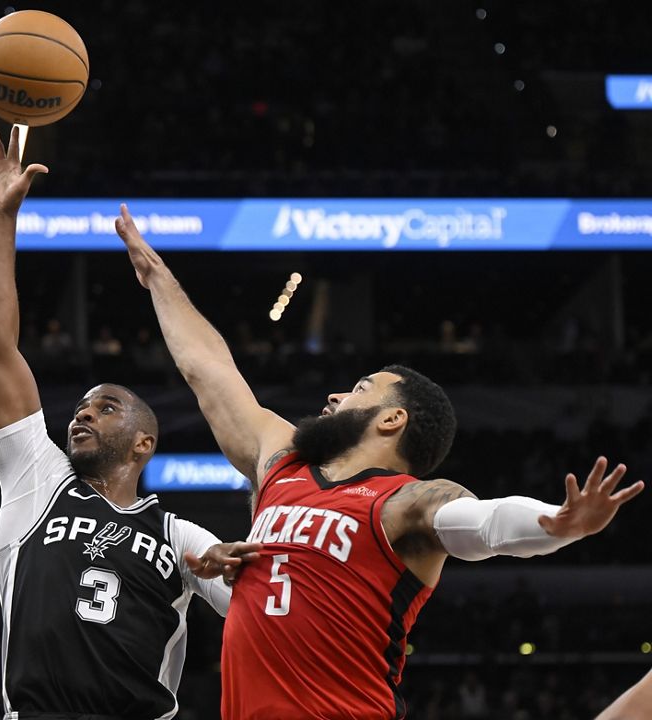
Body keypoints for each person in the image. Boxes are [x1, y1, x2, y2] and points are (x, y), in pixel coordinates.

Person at [113, 203, 645, 720]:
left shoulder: (406, 502)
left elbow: (484, 524)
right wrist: (158, 279)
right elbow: (209, 370)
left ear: (392, 420)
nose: (334, 399)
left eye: (359, 389)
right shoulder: (282, 463)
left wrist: (557, 525)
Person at [0, 127, 259, 720]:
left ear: (144, 444)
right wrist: (0, 221)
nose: (84, 412)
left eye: (107, 406)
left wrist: (239, 570)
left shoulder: (177, 535)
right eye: (82, 407)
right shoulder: (35, 480)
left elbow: (258, 606)